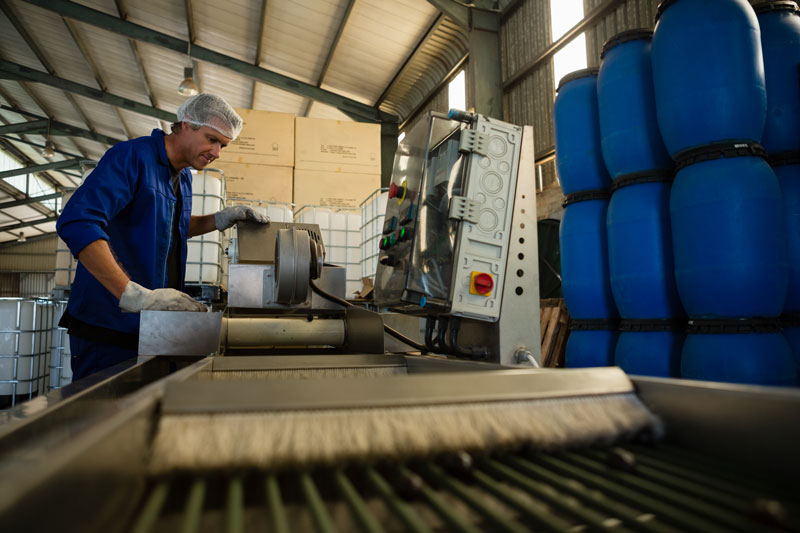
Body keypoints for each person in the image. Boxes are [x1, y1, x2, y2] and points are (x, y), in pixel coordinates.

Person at [56, 93, 268, 379]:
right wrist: (132, 295)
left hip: (152, 326)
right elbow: (78, 221)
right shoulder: (132, 158)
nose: (217, 152)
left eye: (223, 145)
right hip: (109, 328)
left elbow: (171, 226)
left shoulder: (184, 177)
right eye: (211, 139)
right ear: (185, 124)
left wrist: (219, 219)